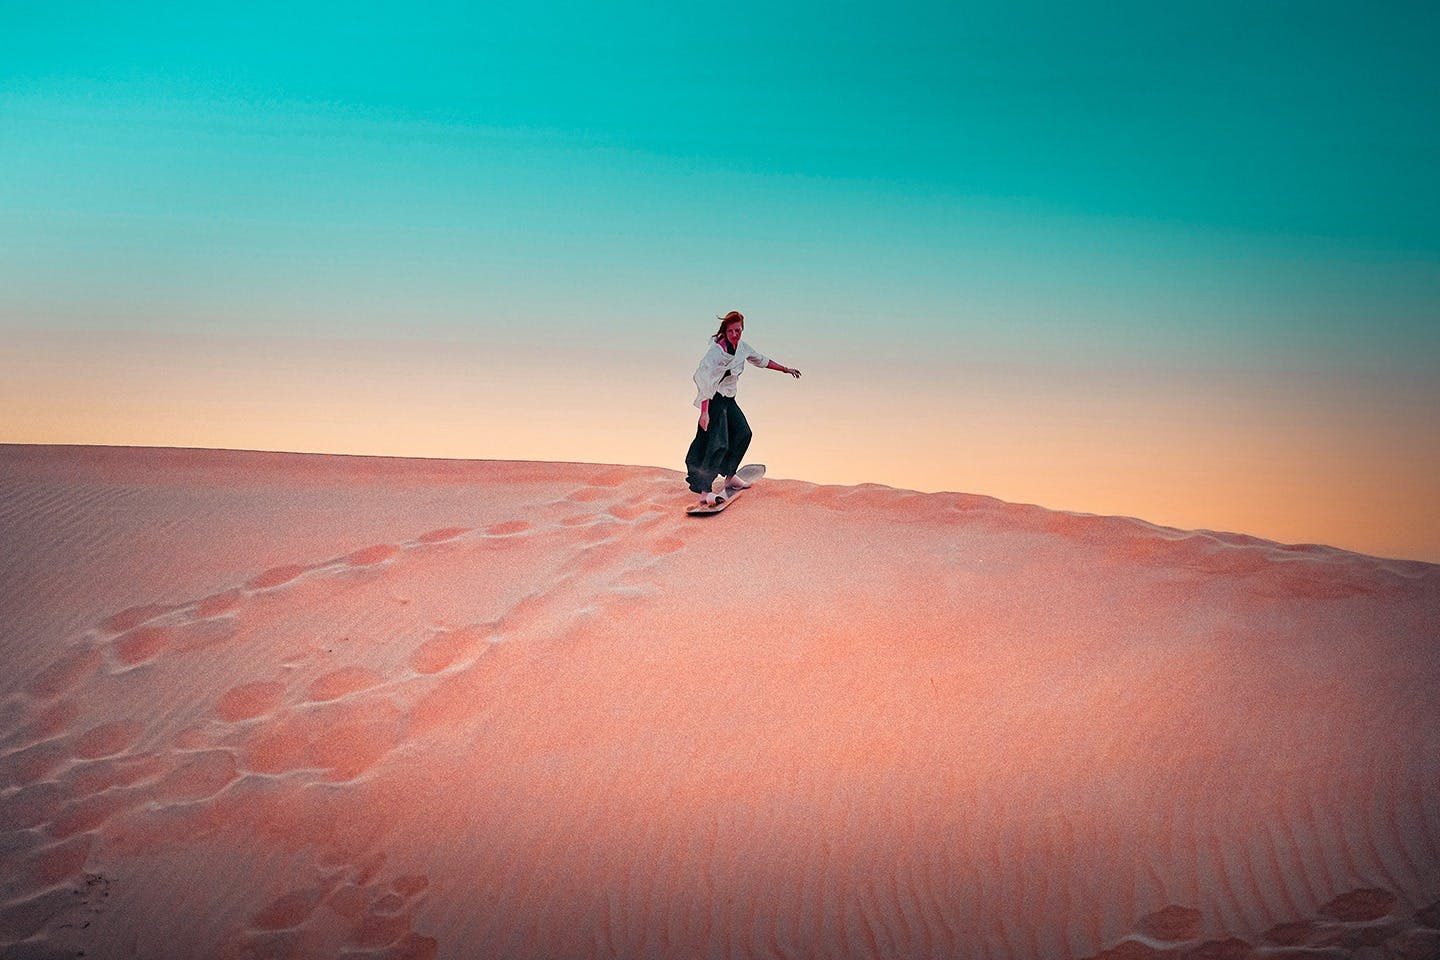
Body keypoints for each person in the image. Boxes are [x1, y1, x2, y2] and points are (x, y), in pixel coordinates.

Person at [684, 310, 801, 507]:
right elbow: (705, 382)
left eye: (738, 330)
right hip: (714, 400)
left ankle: (730, 476)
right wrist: (704, 412)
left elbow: (761, 360)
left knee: (744, 433)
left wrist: (785, 369)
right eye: (731, 331)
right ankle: (705, 491)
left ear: (742, 329)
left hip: (729, 399)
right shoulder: (716, 353)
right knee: (718, 443)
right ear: (725, 331)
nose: (735, 334)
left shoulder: (742, 348)